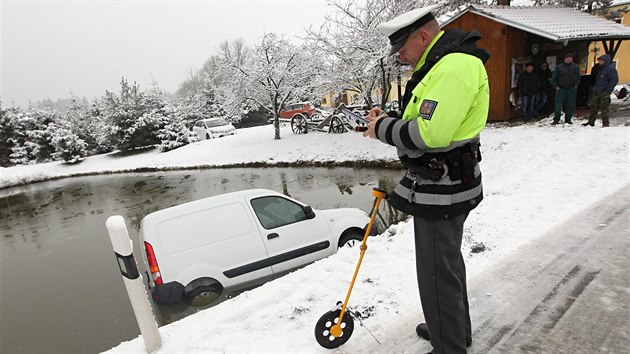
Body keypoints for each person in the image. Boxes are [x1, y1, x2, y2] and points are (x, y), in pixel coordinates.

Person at [362, 5, 489, 353]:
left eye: (402, 47)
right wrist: (389, 118)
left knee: (435, 272)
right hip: (447, 180)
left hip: (442, 187)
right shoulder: (442, 63)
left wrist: (380, 129)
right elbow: (425, 115)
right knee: (445, 265)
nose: (400, 56)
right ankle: (450, 329)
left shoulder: (452, 67)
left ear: (423, 36)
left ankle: (449, 345)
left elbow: (430, 134)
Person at [584, 54, 618, 127]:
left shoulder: (610, 69)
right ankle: (591, 122)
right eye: (599, 60)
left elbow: (614, 80)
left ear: (605, 61)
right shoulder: (600, 69)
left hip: (604, 92)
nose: (599, 61)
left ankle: (605, 123)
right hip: (597, 91)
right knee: (593, 106)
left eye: (601, 60)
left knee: (604, 108)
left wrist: (608, 89)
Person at [551, 52, 580, 124]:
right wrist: (555, 86)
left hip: (571, 89)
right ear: (564, 59)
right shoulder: (559, 67)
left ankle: (568, 119)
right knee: (558, 105)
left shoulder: (576, 67)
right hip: (561, 89)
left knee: (570, 105)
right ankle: (556, 119)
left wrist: (576, 85)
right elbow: (554, 78)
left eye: (570, 58)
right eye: (567, 58)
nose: (569, 59)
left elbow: (578, 77)